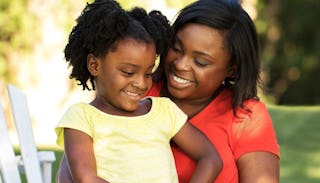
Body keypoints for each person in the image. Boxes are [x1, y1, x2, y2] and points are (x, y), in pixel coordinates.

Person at [57, 0, 280, 182]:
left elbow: (213, 159)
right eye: (176, 48)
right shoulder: (133, 95)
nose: (181, 64)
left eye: (201, 61)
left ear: (232, 68)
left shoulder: (245, 115)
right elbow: (76, 171)